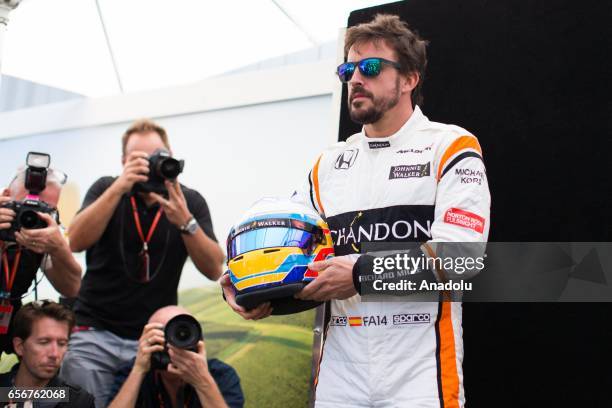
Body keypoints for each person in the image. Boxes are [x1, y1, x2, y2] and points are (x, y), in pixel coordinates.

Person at [222, 14, 490, 407]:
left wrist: (360, 273)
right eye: (348, 69)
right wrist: (242, 284)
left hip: (420, 374)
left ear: (410, 78)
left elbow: (463, 259)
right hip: (340, 374)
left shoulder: (450, 147)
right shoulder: (328, 166)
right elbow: (288, 251)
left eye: (371, 68)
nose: (355, 79)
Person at [62, 119, 224, 407]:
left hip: (155, 337)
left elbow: (213, 269)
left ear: (171, 154)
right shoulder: (107, 188)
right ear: (124, 161)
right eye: (140, 158)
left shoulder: (188, 201)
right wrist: (119, 188)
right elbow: (74, 241)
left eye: (158, 155)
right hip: (96, 332)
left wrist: (186, 223)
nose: (151, 163)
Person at [0, 166, 81, 355]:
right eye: (26, 206)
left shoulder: (41, 235)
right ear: (6, 195)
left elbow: (71, 288)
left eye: (45, 209)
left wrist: (59, 248)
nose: (32, 216)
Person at [108, 305, 244, 408]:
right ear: (146, 340)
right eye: (163, 334)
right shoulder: (132, 373)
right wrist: (138, 370)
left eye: (182, 332)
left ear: (198, 338)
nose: (172, 343)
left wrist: (203, 382)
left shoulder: (220, 374)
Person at [0, 300, 94, 407]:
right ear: (19, 346)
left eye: (61, 343)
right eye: (44, 342)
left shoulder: (79, 402)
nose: (54, 354)